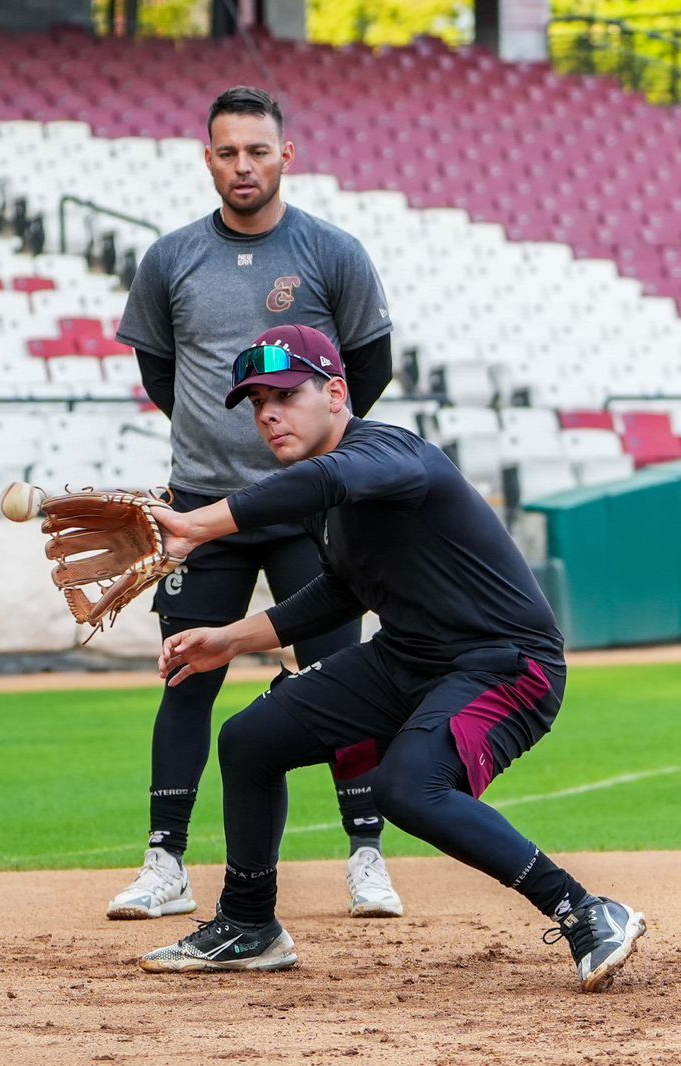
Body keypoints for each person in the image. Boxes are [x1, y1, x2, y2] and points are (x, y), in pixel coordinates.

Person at [136, 324, 648, 992]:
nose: (267, 412)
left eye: (285, 394)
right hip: (407, 658)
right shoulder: (327, 503)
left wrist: (197, 525)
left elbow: (331, 477)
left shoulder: (387, 454)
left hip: (505, 664)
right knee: (249, 739)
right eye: (256, 401)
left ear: (338, 394)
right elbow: (343, 593)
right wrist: (230, 638)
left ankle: (584, 909)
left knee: (407, 787)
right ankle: (249, 923)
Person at [109, 86, 403, 920]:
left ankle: (368, 854)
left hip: (308, 508)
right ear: (208, 158)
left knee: (340, 676)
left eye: (259, 151)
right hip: (201, 508)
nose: (244, 166)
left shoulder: (333, 253)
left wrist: (311, 457)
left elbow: (366, 372)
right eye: (228, 152)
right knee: (185, 676)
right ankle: (165, 863)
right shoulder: (170, 259)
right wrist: (213, 446)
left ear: (287, 157)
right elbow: (161, 374)